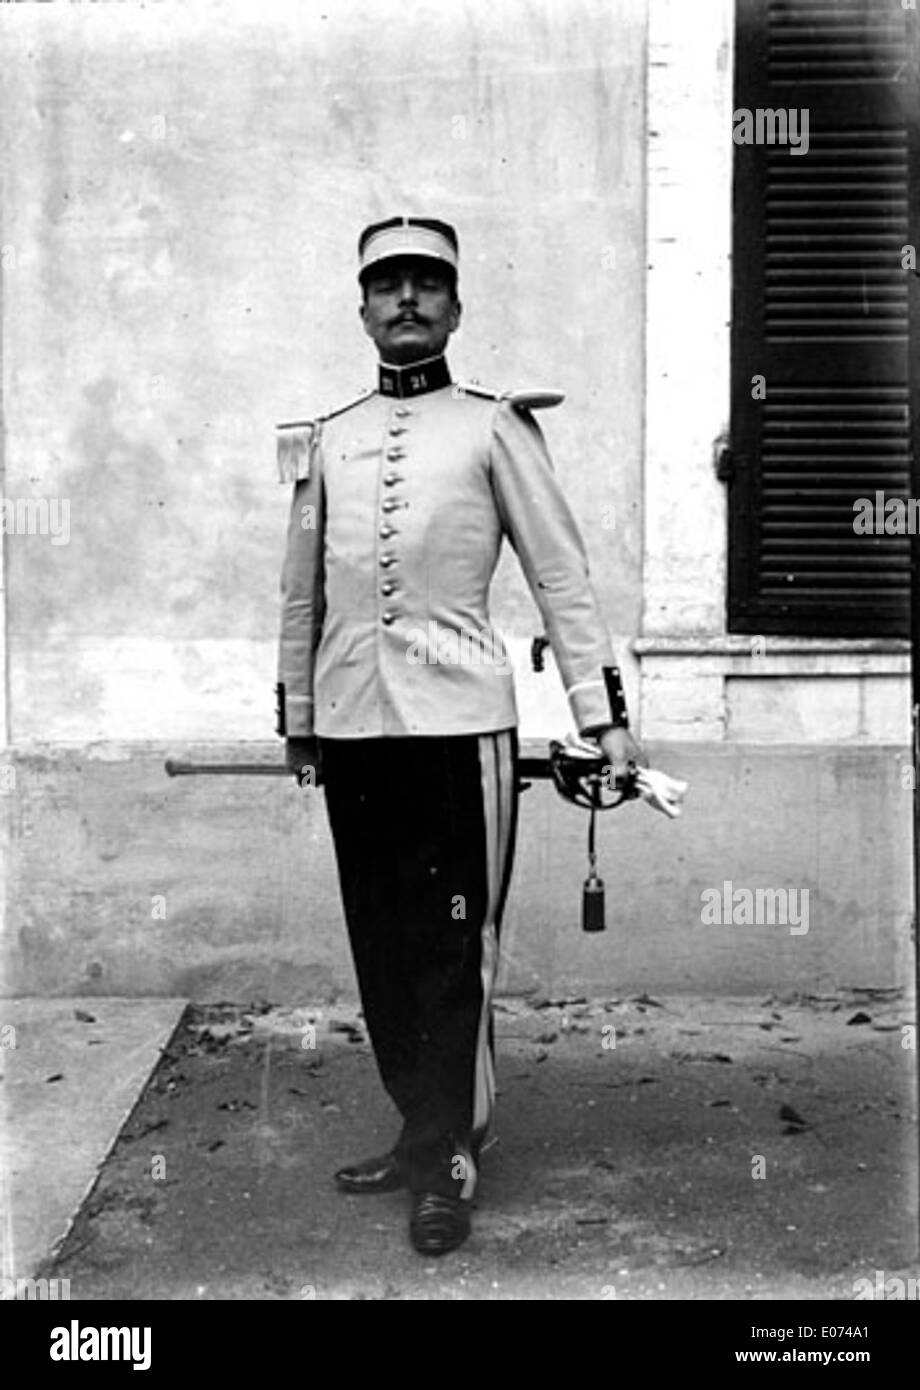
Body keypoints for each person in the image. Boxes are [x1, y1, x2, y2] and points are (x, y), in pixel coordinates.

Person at [275, 215, 645, 1256]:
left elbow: (559, 577)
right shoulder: (328, 437)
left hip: (458, 731)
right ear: (360, 309)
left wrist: (600, 717)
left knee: (449, 947)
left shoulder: (494, 429)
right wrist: (300, 719)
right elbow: (298, 594)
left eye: (425, 285)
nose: (405, 301)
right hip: (354, 729)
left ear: (454, 306)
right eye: (385, 285)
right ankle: (418, 1122)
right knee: (381, 947)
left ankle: (449, 1154)